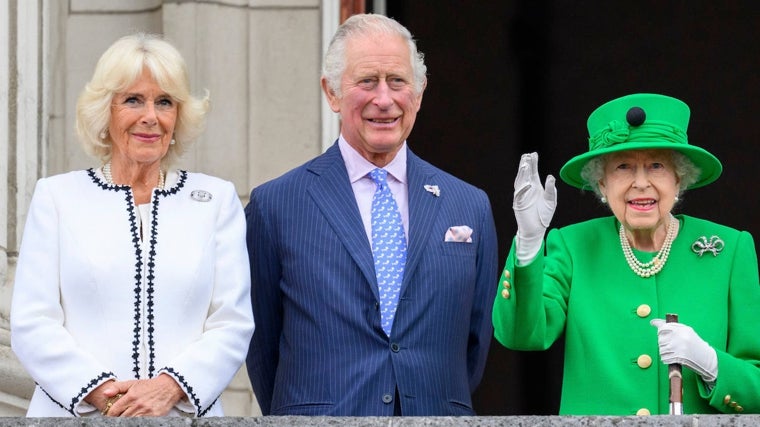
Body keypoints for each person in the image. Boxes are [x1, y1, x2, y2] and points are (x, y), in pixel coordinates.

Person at [245, 13, 498, 416]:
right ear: (331, 93)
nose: (384, 99)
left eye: (397, 81)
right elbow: (261, 345)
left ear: (418, 93)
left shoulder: (469, 205)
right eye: (367, 82)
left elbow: (476, 340)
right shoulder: (276, 205)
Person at [10, 33, 254, 417]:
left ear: (179, 115)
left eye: (164, 102)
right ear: (105, 112)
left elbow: (233, 322)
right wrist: (106, 396)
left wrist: (168, 388)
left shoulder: (217, 201)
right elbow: (32, 321)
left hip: (183, 417)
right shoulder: (57, 198)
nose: (150, 117)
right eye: (132, 100)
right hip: (75, 417)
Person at [492, 93, 760, 415]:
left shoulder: (729, 250)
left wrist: (711, 363)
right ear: (602, 184)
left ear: (679, 179)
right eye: (623, 167)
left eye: (657, 165)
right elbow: (522, 334)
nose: (641, 183)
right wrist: (529, 241)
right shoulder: (574, 245)